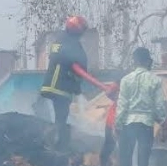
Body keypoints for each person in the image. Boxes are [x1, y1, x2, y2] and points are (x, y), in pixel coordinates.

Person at [39, 16, 115, 150]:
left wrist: (79, 90)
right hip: (61, 88)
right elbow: (77, 69)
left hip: (54, 86)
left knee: (59, 116)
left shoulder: (60, 41)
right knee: (61, 118)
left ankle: (54, 141)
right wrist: (103, 87)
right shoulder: (70, 44)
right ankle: (57, 145)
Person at [113, 47, 167, 166]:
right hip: (146, 126)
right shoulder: (155, 80)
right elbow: (159, 106)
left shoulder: (126, 80)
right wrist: (163, 122)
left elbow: (122, 106)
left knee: (125, 164)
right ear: (148, 61)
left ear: (135, 61)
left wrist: (117, 125)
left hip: (128, 125)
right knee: (143, 165)